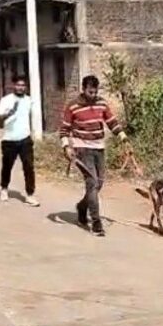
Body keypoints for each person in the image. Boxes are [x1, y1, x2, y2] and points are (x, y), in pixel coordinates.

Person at [59, 75, 127, 237]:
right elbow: (64, 129)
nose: (93, 95)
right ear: (83, 89)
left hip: (99, 147)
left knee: (99, 183)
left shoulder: (101, 103)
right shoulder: (73, 106)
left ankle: (82, 207)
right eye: (90, 91)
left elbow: (111, 122)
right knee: (92, 183)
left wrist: (123, 137)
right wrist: (66, 147)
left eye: (95, 91)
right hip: (82, 148)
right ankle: (96, 222)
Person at [0, 74, 39, 207]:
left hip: (25, 139)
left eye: (23, 85)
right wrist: (10, 113)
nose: (20, 88)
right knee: (7, 166)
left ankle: (30, 194)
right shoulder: (6, 100)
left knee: (29, 166)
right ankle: (4, 188)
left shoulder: (29, 100)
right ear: (13, 86)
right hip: (9, 139)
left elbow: (32, 116)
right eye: (18, 85)